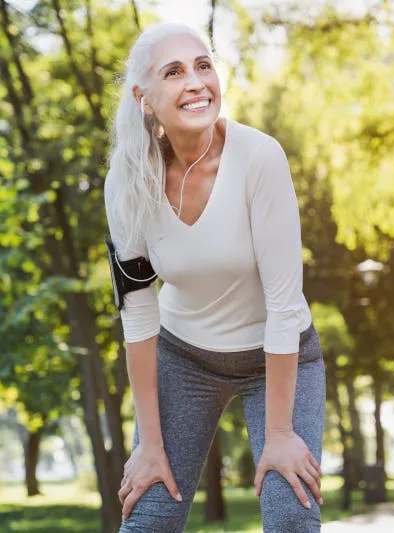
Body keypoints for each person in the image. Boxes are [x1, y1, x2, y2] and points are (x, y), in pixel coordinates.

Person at [104, 21, 326, 533]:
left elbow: (284, 304)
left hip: (279, 356)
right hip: (184, 359)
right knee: (148, 518)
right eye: (175, 72)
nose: (196, 81)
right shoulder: (126, 181)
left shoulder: (259, 157)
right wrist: (150, 446)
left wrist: (278, 433)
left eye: (204, 65)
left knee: (290, 513)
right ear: (144, 97)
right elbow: (137, 314)